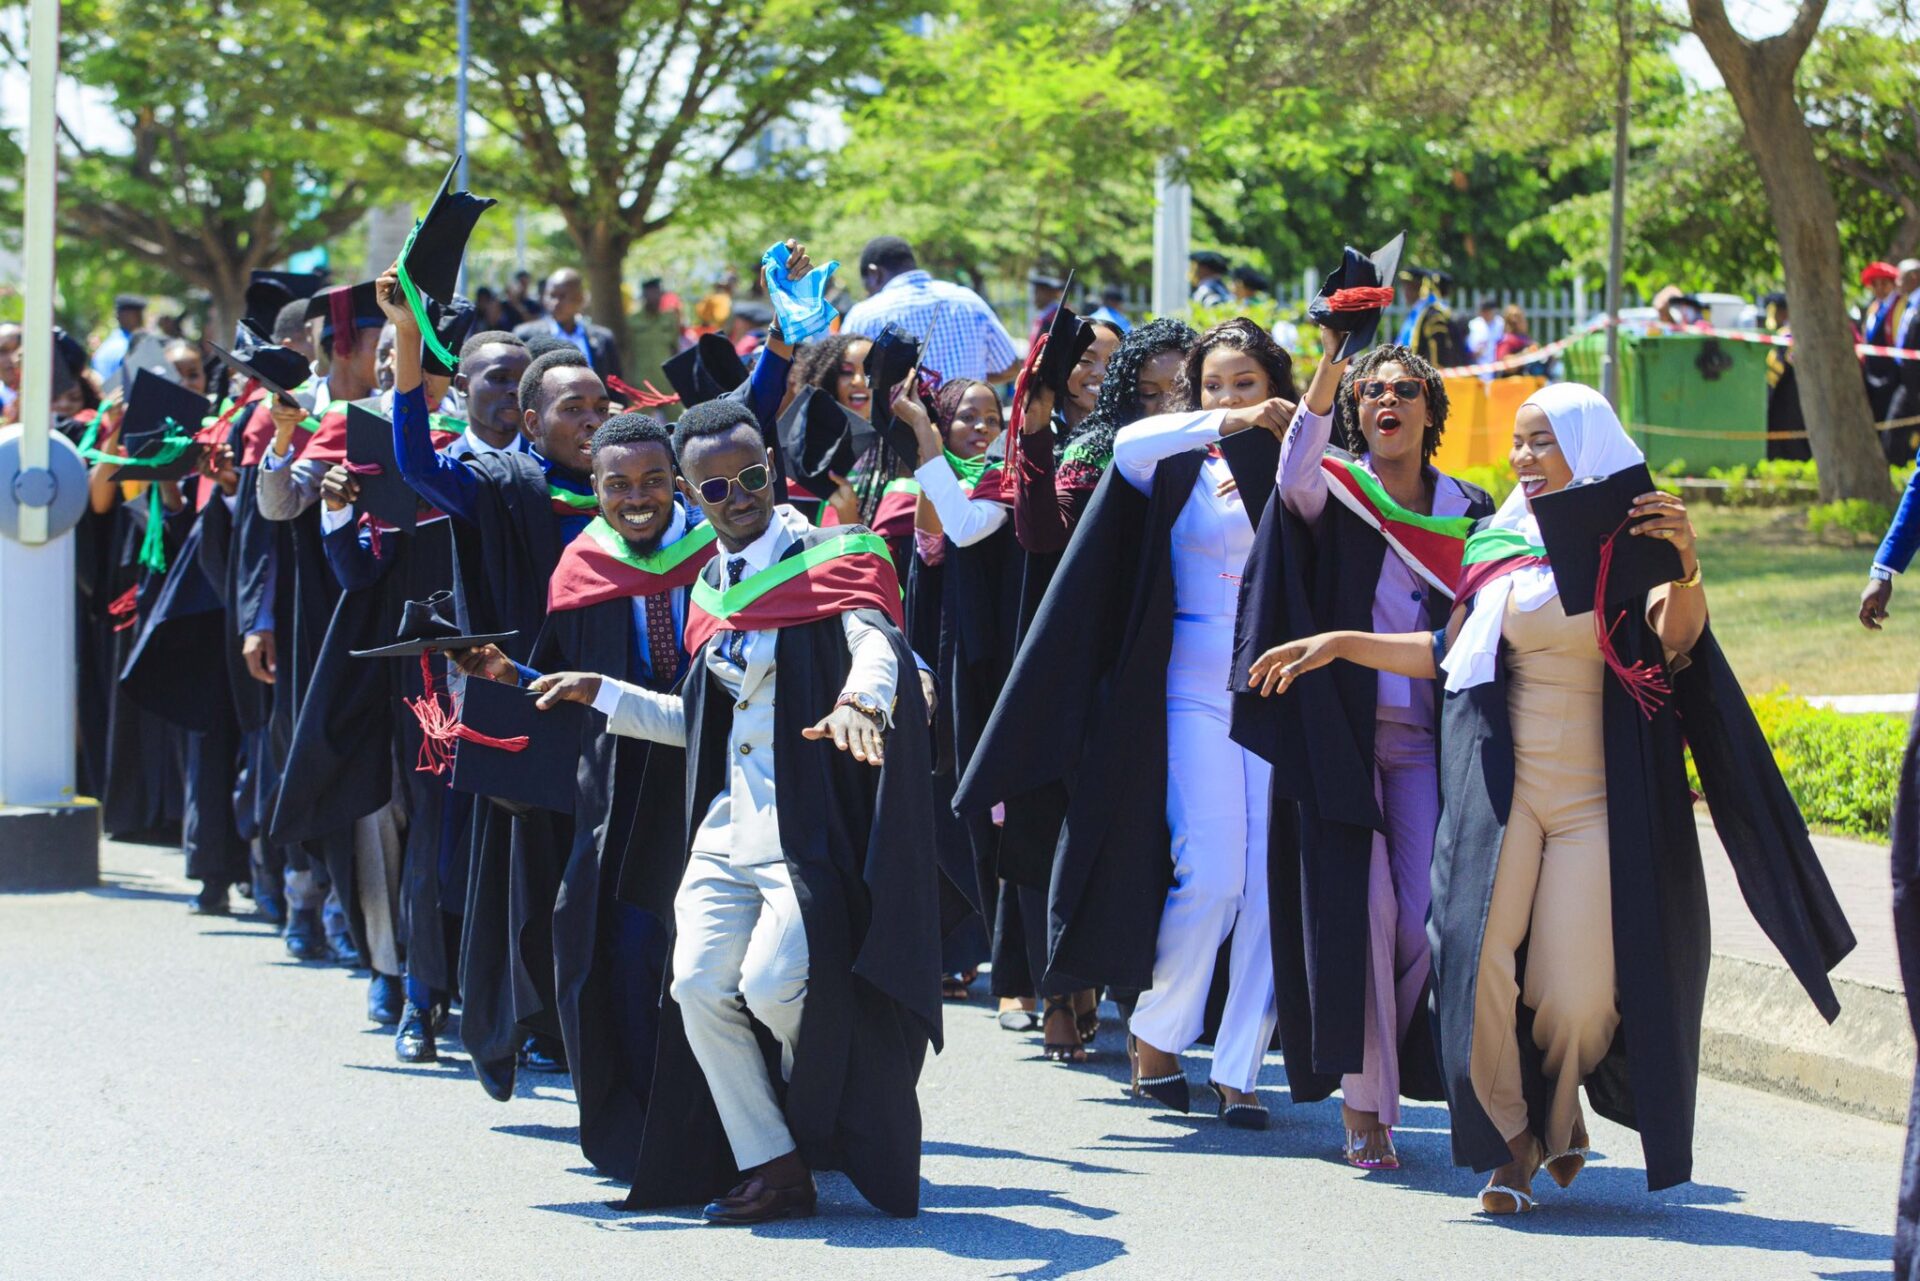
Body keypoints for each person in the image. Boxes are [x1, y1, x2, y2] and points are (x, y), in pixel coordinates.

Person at [1251, 382, 1854, 1214]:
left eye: (1543, 442)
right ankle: (1511, 1147)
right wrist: (1339, 644)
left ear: (1587, 446)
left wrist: (1686, 563)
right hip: (1504, 792)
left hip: (1595, 799)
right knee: (1471, 960)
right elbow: (1449, 651)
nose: (1523, 457)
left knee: (1577, 996)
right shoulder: (1497, 538)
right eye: (1519, 442)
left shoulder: (1629, 536)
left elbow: (1676, 637)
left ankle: (1559, 1107)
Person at [529, 396, 941, 1223]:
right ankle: (774, 1163)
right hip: (726, 822)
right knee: (695, 983)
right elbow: (698, 723)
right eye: (713, 487)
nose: (737, 496)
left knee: (776, 983)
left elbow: (874, 640)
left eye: (750, 476)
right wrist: (600, 691)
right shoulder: (711, 586)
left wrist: (864, 699)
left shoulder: (831, 555)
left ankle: (822, 1097)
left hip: (807, 823)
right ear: (691, 493)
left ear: (772, 469)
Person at [958, 317, 1298, 1130]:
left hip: (1278, 688)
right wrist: (1229, 419)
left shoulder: (1299, 461)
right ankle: (1157, 1031)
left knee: (1269, 885)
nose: (1229, 395)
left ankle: (1240, 1067)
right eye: (1211, 384)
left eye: (1246, 383)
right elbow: (1130, 443)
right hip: (1188, 689)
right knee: (1213, 872)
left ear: (1277, 387)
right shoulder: (1172, 457)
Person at [1233, 339, 1493, 1170]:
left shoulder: (1468, 507)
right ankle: (1365, 1103)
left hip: (1427, 743)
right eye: (1372, 390)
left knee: (1424, 917)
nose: (1388, 400)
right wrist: (1331, 364)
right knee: (1366, 911)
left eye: (1406, 389)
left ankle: (1400, 1062)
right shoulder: (1339, 489)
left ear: (1431, 409)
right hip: (1338, 738)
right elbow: (1292, 475)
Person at [841, 236, 1022, 385]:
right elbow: (1010, 367)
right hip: (969, 416)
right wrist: (968, 384)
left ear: (875, 273)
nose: (868, 293)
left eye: (867, 287)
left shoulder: (863, 316)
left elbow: (844, 379)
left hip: (899, 420)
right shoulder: (968, 301)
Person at [513, 268, 623, 379]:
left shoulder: (603, 339)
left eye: (562, 296)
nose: (555, 303)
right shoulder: (526, 336)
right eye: (551, 295)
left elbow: (615, 384)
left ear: (580, 298)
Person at [1885, 260, 1920, 464]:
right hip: (1904, 378)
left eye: (1901, 277)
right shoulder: (1907, 305)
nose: (1897, 282)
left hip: (1915, 379)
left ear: (1914, 277)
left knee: (1894, 427)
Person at [1863, 261, 1903, 423]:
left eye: (1884, 283)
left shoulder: (1900, 306)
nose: (1879, 288)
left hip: (1892, 374)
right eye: (1875, 284)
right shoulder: (1873, 308)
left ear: (1892, 284)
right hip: (1872, 373)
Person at [1396, 267, 1458, 369]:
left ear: (1420, 287)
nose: (1405, 292)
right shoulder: (1416, 312)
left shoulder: (1432, 314)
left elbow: (1438, 354)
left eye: (1411, 287)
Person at [628, 276, 685, 385]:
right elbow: (628, 354)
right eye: (651, 293)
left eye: (658, 293)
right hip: (642, 382)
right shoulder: (632, 321)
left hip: (667, 381)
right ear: (644, 295)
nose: (655, 297)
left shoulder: (670, 319)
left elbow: (675, 349)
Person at [90, 294, 148, 379]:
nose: (141, 320)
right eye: (138, 315)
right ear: (126, 316)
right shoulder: (128, 345)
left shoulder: (110, 342)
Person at [1465, 298, 1504, 376]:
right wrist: (1474, 352)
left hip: (1496, 365)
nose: (1487, 314)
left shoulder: (1501, 324)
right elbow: (1468, 346)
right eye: (1484, 311)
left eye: (1489, 311)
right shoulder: (1474, 324)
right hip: (1478, 364)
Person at [1493, 304, 1537, 374]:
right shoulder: (1508, 340)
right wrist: (1525, 354)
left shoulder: (1525, 338)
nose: (1526, 323)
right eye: (1522, 319)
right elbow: (1506, 364)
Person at [1028, 272, 1065, 346]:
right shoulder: (1043, 316)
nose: (1035, 297)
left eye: (1038, 293)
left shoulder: (1055, 317)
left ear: (1050, 294)